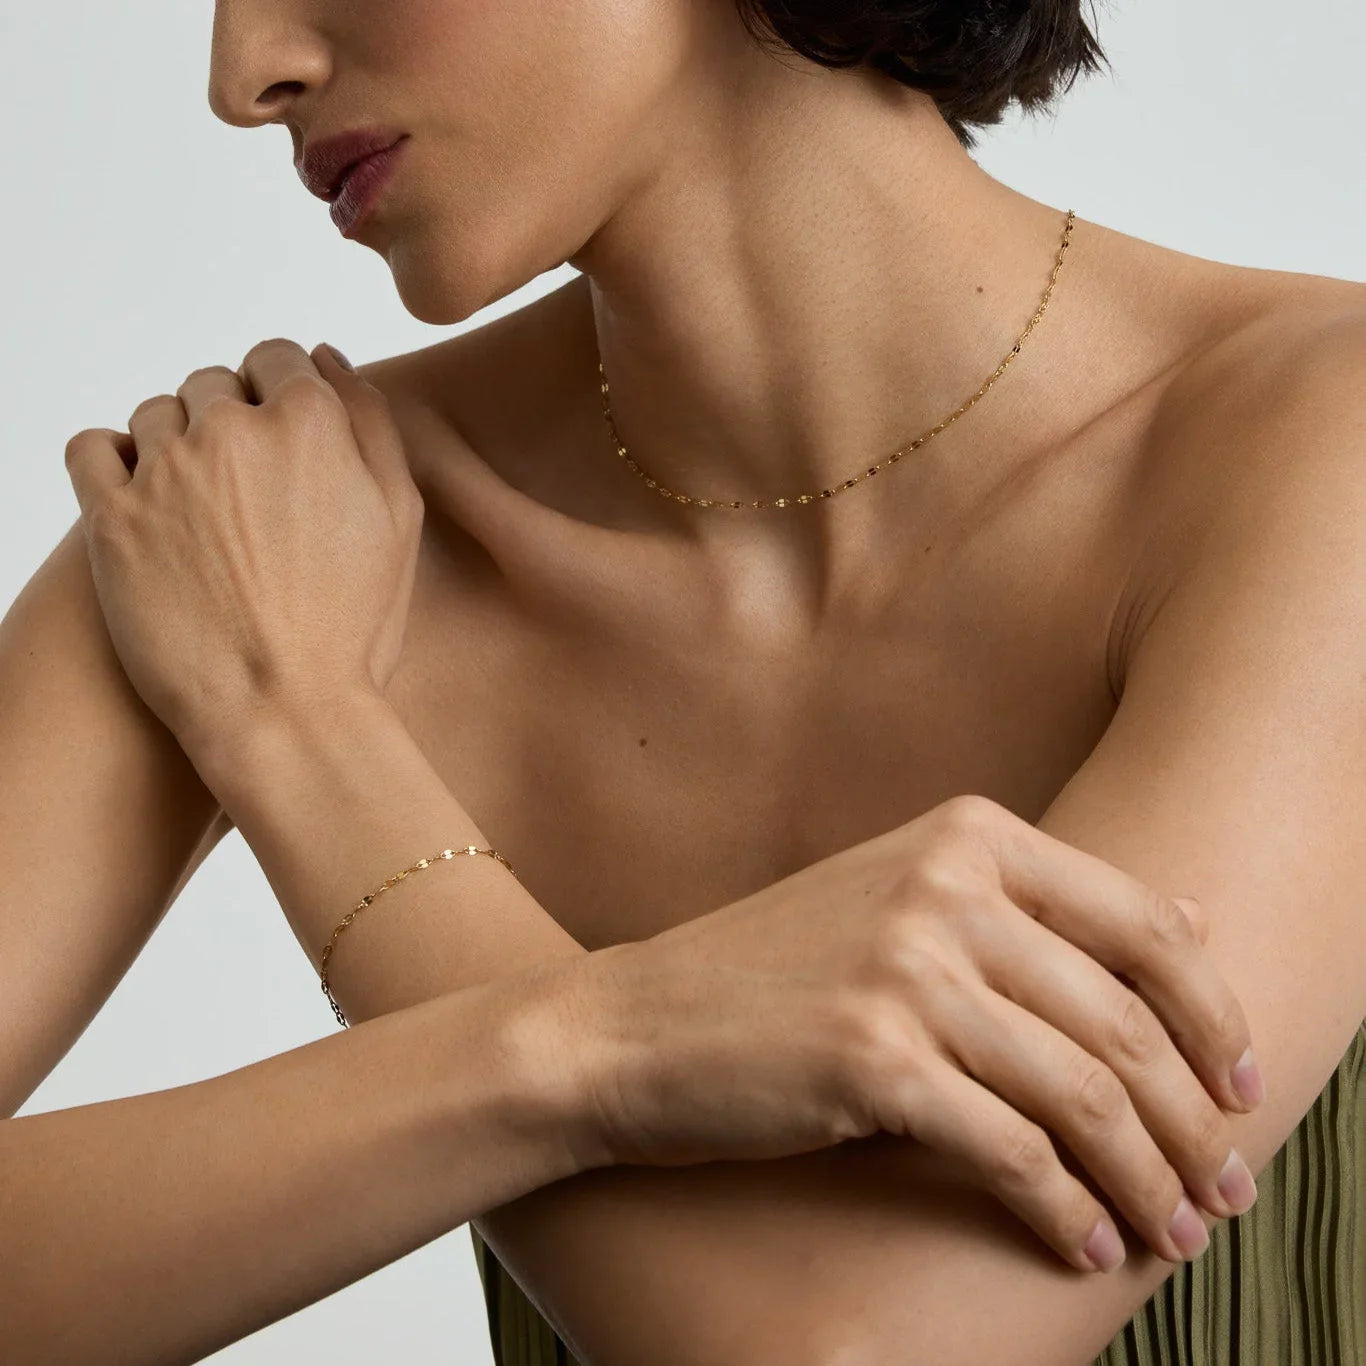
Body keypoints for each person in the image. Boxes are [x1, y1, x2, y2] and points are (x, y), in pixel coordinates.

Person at [4, 0, 1365, 1362]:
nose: (244, 76)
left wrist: (306, 740)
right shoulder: (258, 541)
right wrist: (588, 1048)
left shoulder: (1310, 451)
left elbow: (858, 1348)